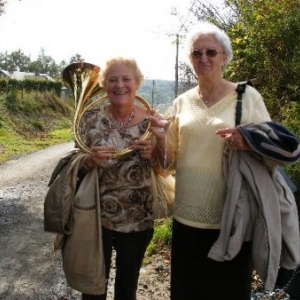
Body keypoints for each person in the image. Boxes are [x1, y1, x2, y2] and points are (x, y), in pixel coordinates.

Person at [150, 21, 300, 300]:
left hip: (233, 218)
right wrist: (159, 138)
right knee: (187, 292)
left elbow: (273, 149)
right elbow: (167, 163)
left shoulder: (247, 97)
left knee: (229, 292)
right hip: (186, 219)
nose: (203, 58)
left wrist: (248, 141)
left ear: (224, 58)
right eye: (197, 53)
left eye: (211, 52)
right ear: (190, 60)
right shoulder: (181, 102)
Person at [52, 57, 161, 300]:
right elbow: (73, 169)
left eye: (126, 79)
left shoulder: (152, 121)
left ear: (137, 83)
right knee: (92, 288)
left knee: (127, 286)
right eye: (112, 80)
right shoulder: (89, 119)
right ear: (104, 84)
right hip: (94, 216)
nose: (119, 85)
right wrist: (89, 161)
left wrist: (154, 151)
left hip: (137, 219)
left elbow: (165, 167)